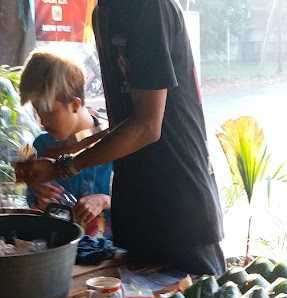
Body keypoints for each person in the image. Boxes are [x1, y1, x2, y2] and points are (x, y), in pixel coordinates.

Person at [16, 0, 225, 277]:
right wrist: (59, 155)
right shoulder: (103, 13)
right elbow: (125, 122)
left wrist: (61, 166)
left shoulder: (147, 7)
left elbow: (147, 125)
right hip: (138, 210)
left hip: (179, 206)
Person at [19, 51, 112, 236]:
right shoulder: (40, 144)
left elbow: (141, 200)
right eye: (37, 111)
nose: (42, 122)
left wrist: (104, 200)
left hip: (106, 253)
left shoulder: (114, 141)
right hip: (58, 247)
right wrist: (38, 196)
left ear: (75, 105)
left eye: (49, 111)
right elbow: (29, 198)